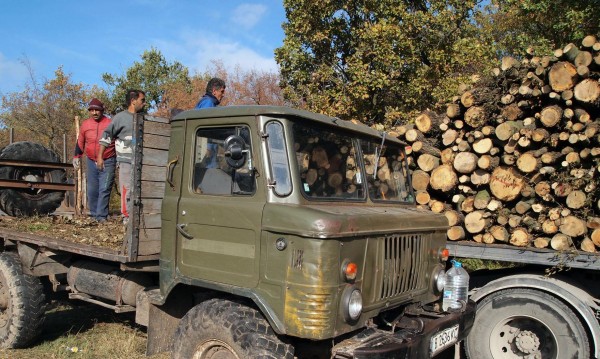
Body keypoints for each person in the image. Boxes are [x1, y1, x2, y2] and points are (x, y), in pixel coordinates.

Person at [97, 89, 146, 225]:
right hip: (125, 161)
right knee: (127, 190)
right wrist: (100, 156)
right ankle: (127, 219)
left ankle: (137, 218)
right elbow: (106, 136)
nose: (144, 103)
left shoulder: (143, 117)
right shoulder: (120, 118)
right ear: (133, 101)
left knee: (140, 189)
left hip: (141, 161)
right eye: (142, 100)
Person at [73, 98, 116, 222]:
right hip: (91, 161)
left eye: (97, 110)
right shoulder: (85, 124)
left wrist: (120, 159)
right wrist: (77, 156)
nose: (94, 113)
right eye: (92, 110)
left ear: (102, 111)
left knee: (105, 188)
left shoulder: (110, 123)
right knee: (92, 190)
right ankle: (93, 214)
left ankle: (101, 217)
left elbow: (118, 141)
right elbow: (80, 142)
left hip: (108, 160)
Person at [195, 78, 226, 168]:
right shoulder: (208, 103)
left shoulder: (208, 102)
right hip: (207, 158)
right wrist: (207, 149)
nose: (223, 95)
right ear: (214, 91)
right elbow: (205, 127)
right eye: (222, 91)